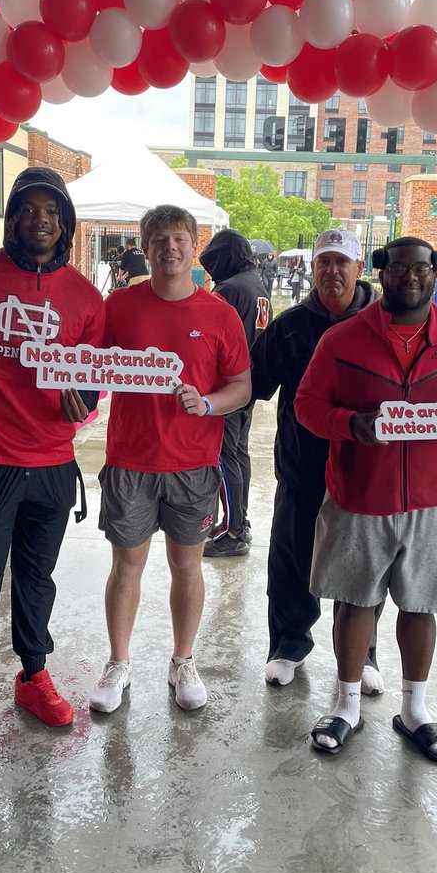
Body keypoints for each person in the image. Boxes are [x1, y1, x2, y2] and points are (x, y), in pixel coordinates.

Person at [296, 237, 437, 760]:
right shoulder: (342, 341)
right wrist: (351, 424)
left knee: (421, 606)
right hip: (361, 498)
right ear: (380, 272)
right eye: (399, 267)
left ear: (436, 273)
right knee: (355, 602)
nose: (411, 277)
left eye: (422, 268)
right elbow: (307, 406)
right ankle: (346, 706)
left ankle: (415, 711)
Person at [0, 166, 105, 749]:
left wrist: (80, 404)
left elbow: (92, 383)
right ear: (12, 218)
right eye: (30, 209)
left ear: (66, 225)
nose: (42, 221)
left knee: (37, 579)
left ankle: (33, 674)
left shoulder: (86, 298)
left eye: (53, 213)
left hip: (53, 465)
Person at [89, 204, 251, 714]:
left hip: (192, 466)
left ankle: (183, 661)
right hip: (130, 462)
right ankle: (119, 662)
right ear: (145, 246)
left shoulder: (220, 314)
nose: (170, 248)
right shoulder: (118, 306)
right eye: (159, 239)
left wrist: (206, 403)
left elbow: (241, 387)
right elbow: (91, 365)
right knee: (127, 565)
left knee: (187, 566)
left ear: (194, 245)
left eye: (179, 238)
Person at [251, 229, 383, 688]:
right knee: (292, 558)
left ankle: (364, 654)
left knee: (365, 563)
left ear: (359, 267)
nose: (332, 270)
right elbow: (252, 384)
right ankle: (288, 643)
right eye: (323, 262)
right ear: (312, 269)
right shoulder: (289, 326)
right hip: (302, 463)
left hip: (367, 468)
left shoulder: (384, 322)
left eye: (341, 262)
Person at [199, 229, 271, 558]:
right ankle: (238, 520)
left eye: (213, 264)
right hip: (250, 381)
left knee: (225, 457)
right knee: (238, 454)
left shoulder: (228, 290)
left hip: (228, 385)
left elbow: (205, 337)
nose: (211, 272)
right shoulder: (256, 282)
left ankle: (234, 531)